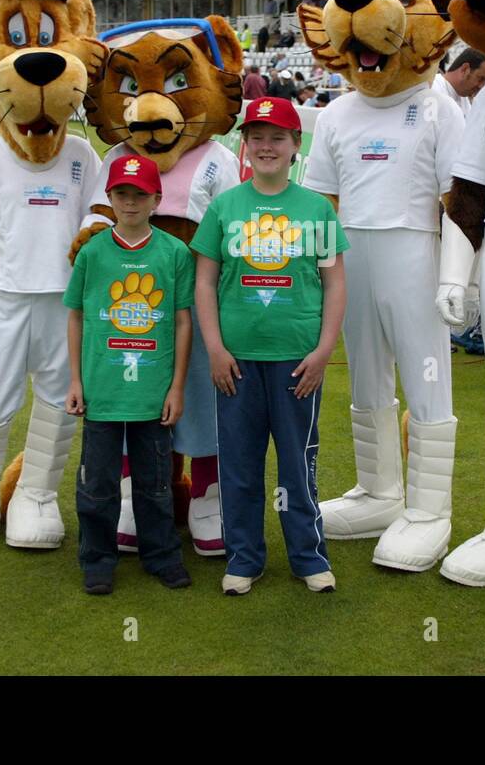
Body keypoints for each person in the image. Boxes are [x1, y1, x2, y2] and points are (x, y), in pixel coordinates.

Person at [191, 98, 349, 596]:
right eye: (256, 137)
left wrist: (324, 350)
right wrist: (214, 348)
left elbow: (335, 283)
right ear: (244, 144)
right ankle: (244, 558)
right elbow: (204, 282)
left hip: (297, 361)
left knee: (297, 465)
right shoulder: (225, 206)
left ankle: (308, 556)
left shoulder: (316, 209)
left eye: (277, 137)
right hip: (235, 362)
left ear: (295, 146)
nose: (266, 146)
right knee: (238, 465)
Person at [64, 154, 194, 595]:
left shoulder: (174, 253)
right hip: (102, 390)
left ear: (157, 198)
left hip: (153, 394)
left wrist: (177, 386)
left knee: (156, 483)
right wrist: (77, 381)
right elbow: (77, 316)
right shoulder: (93, 252)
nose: (131, 202)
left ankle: (162, 555)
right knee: (98, 483)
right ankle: (97, 559)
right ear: (110, 197)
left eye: (140, 194)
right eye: (122, 193)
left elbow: (181, 321)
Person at [432, 47, 485, 114]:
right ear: (464, 69)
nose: (481, 86)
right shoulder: (432, 90)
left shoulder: (464, 100)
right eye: (480, 79)